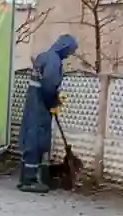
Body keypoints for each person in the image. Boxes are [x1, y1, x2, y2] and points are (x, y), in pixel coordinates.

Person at [17, 34, 78, 194]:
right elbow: (49, 85)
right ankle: (30, 181)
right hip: (40, 107)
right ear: (64, 47)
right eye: (70, 51)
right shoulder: (54, 61)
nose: (69, 55)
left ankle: (25, 178)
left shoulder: (43, 56)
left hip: (32, 103)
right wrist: (53, 102)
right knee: (37, 142)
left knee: (30, 139)